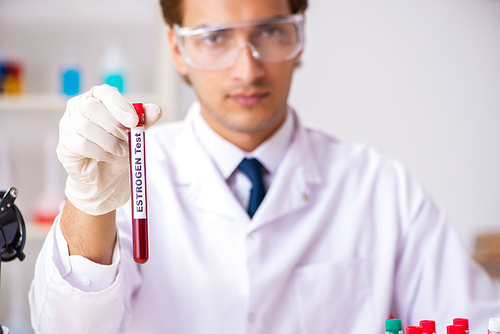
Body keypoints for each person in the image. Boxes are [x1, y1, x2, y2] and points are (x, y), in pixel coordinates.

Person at [29, 0, 500, 333]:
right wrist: (88, 201)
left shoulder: (381, 189)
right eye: (214, 38)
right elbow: (67, 329)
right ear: (177, 50)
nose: (247, 69)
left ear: (299, 36)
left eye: (270, 32)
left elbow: (475, 320)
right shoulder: (130, 174)